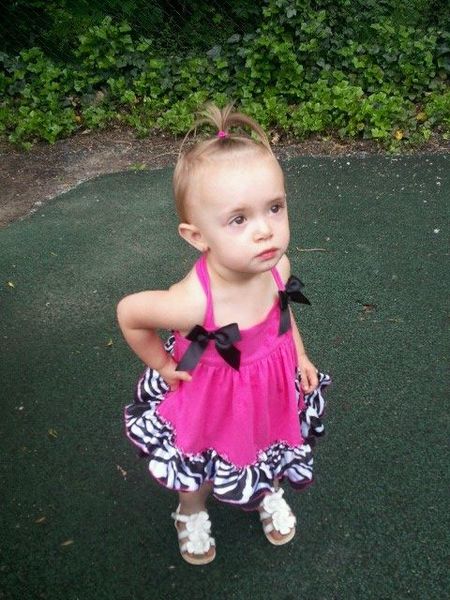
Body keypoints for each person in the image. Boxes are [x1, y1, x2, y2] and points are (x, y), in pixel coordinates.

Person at [117, 103, 330, 565]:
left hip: (270, 385)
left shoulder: (277, 268)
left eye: (274, 208)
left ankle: (267, 492)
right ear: (197, 236)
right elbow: (130, 313)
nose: (265, 231)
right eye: (239, 219)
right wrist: (163, 365)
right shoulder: (191, 301)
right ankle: (190, 512)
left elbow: (282, 316)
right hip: (212, 395)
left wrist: (300, 356)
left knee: (271, 441)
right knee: (199, 460)